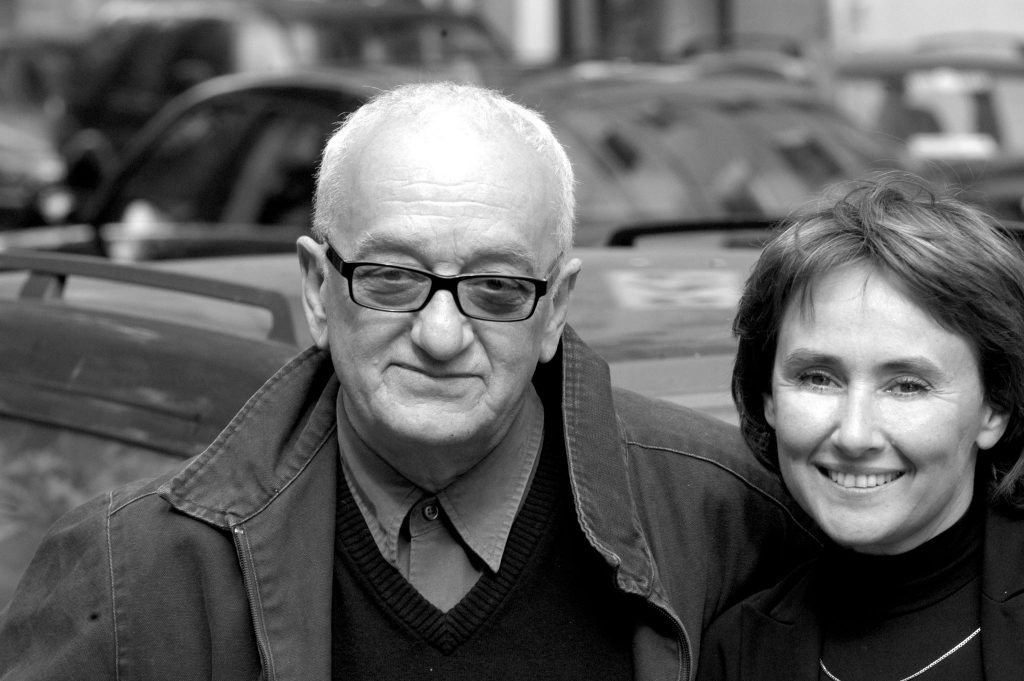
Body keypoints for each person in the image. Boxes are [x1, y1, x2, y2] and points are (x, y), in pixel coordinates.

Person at [0, 82, 818, 680]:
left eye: (496, 287)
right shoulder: (134, 575)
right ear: (317, 289)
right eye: (391, 277)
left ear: (556, 308)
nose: (441, 335)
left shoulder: (732, 520)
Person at [697, 172, 1024, 681]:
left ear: (994, 409)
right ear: (768, 399)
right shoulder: (739, 652)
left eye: (907, 386)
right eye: (818, 378)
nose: (854, 435)